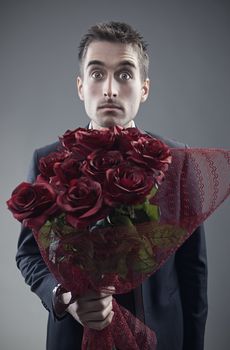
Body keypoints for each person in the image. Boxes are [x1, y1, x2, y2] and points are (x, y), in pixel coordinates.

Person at [16, 22, 208, 350]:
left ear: (144, 88)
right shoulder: (47, 159)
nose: (109, 89)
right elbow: (29, 254)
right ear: (80, 86)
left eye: (124, 74)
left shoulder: (178, 161)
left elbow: (193, 271)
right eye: (96, 74)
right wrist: (63, 299)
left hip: (162, 338)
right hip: (75, 339)